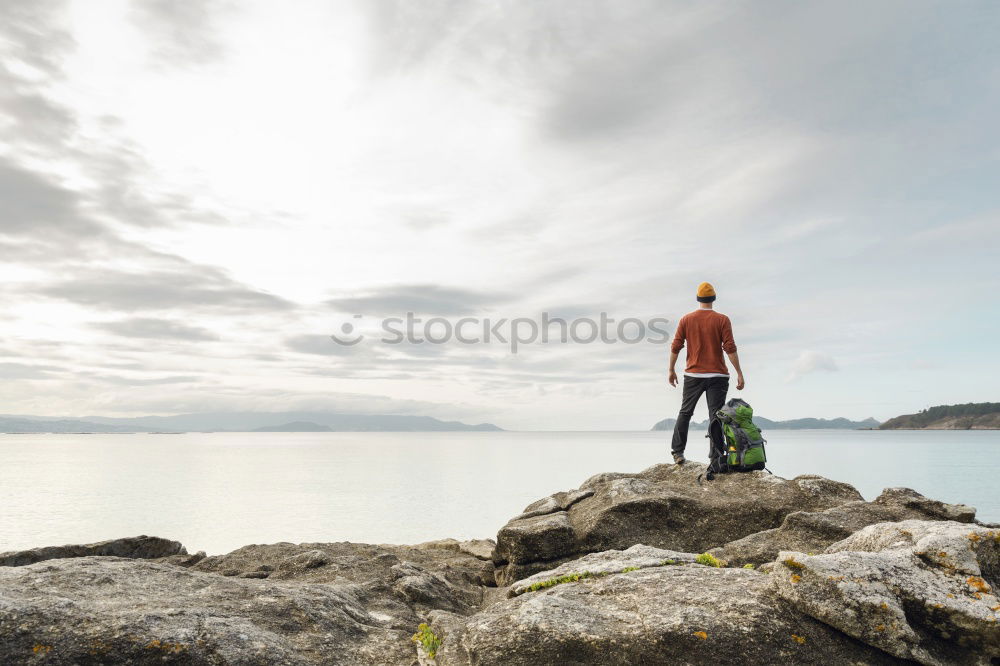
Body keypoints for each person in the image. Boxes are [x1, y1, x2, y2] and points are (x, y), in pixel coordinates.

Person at [668, 282, 745, 465]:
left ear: (698, 298)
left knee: (685, 412)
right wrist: (739, 373)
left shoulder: (686, 319)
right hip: (718, 376)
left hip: (693, 376)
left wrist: (671, 369)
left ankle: (678, 452)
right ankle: (716, 457)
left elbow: (676, 346)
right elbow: (730, 348)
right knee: (715, 416)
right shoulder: (722, 320)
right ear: (713, 299)